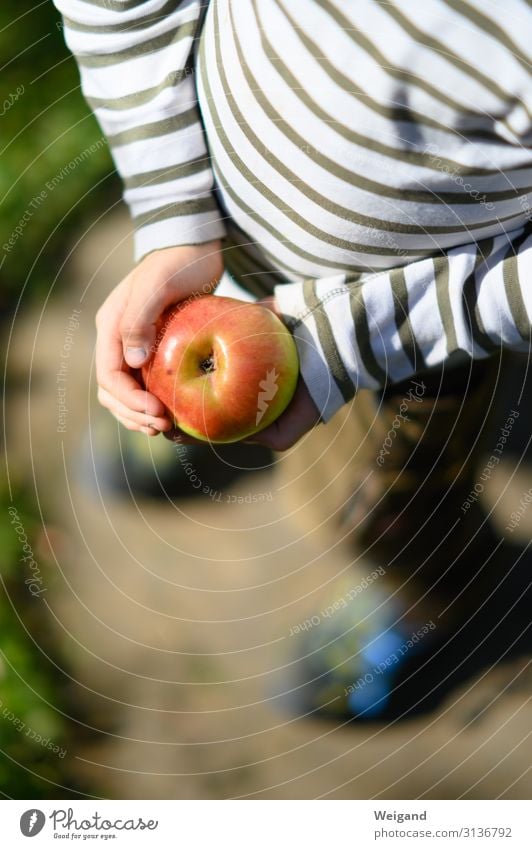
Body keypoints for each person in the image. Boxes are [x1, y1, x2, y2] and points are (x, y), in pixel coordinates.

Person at [54, 0, 532, 719]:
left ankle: (438, 590)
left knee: (374, 507)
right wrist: (172, 212)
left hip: (408, 342)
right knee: (231, 400)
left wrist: (351, 342)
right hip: (219, 252)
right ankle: (223, 424)